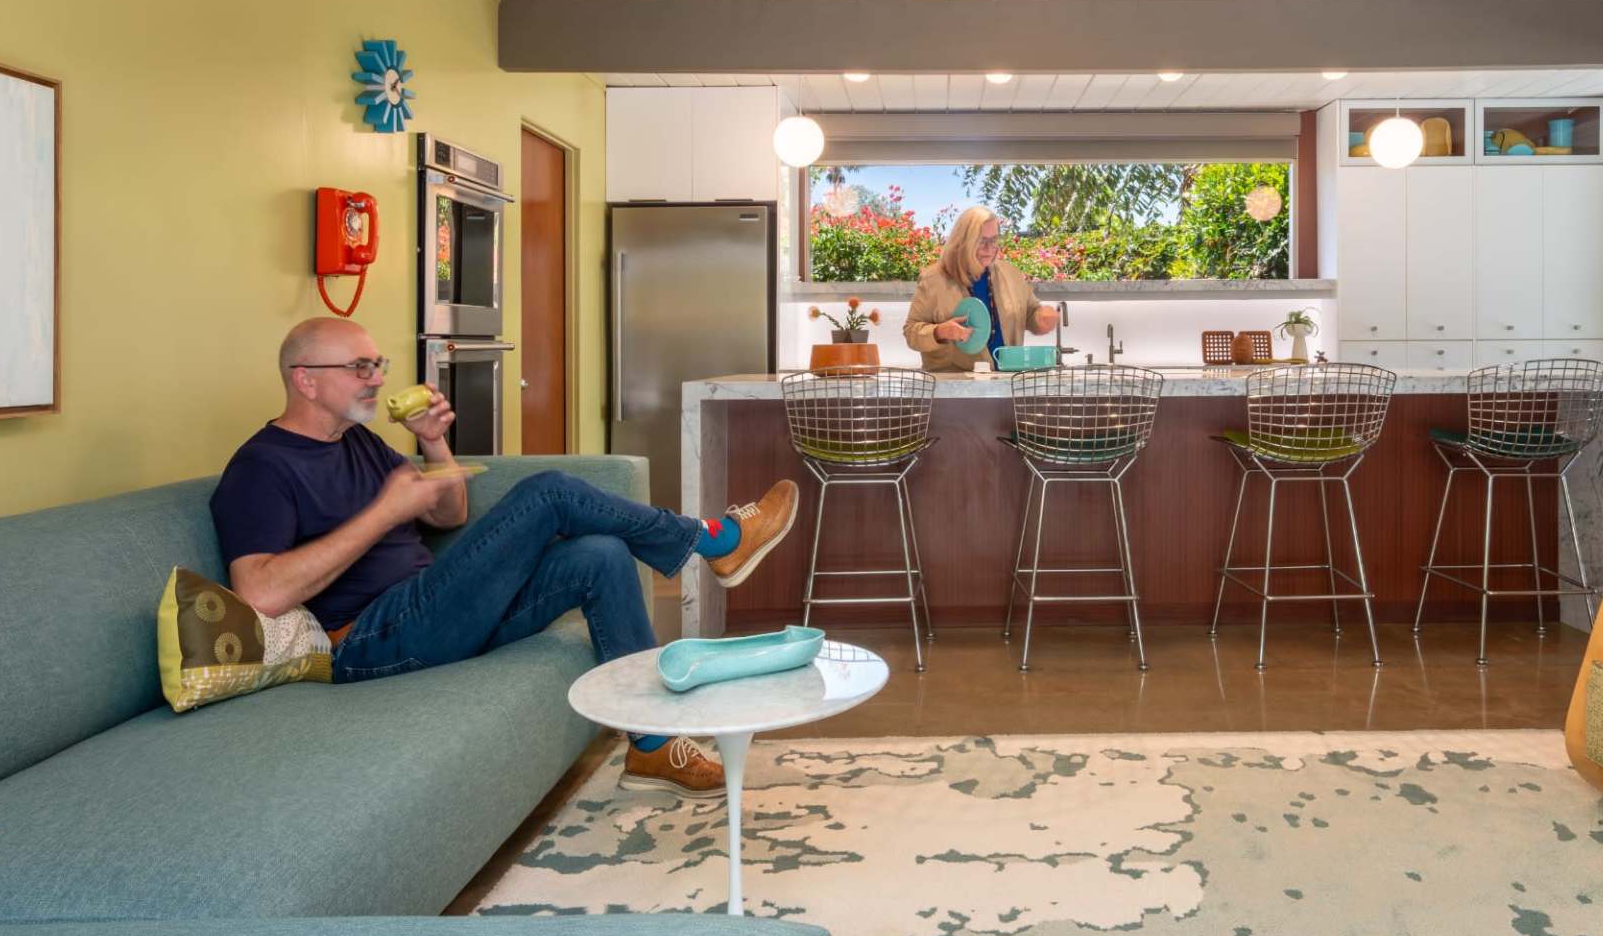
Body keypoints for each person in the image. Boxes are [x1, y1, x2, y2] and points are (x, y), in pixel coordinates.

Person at [213, 316, 798, 794]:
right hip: (368, 638)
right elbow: (259, 592)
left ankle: (648, 746)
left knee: (600, 553)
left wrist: (433, 444)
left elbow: (450, 516)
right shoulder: (263, 467)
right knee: (547, 492)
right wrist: (383, 513)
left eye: (376, 365)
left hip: (435, 609)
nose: (373, 379)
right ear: (305, 380)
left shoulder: (358, 441)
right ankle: (713, 540)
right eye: (357, 367)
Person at [903, 205, 1065, 372]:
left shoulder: (1011, 274)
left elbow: (1030, 313)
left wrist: (1041, 318)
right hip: (954, 387)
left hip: (1007, 384)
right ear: (962, 241)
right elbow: (911, 333)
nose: (989, 249)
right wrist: (939, 332)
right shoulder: (933, 280)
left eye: (993, 240)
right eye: (981, 241)